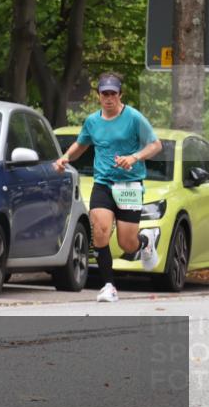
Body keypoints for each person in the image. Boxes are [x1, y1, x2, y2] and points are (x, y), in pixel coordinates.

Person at [54, 72, 162, 303]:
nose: (109, 98)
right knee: (100, 231)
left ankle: (145, 241)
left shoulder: (133, 118)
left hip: (130, 184)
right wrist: (65, 157)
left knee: (127, 243)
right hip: (103, 183)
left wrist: (134, 157)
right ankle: (109, 286)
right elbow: (81, 144)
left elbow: (155, 145)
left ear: (120, 94)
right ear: (99, 96)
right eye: (105, 94)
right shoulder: (92, 121)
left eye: (113, 93)